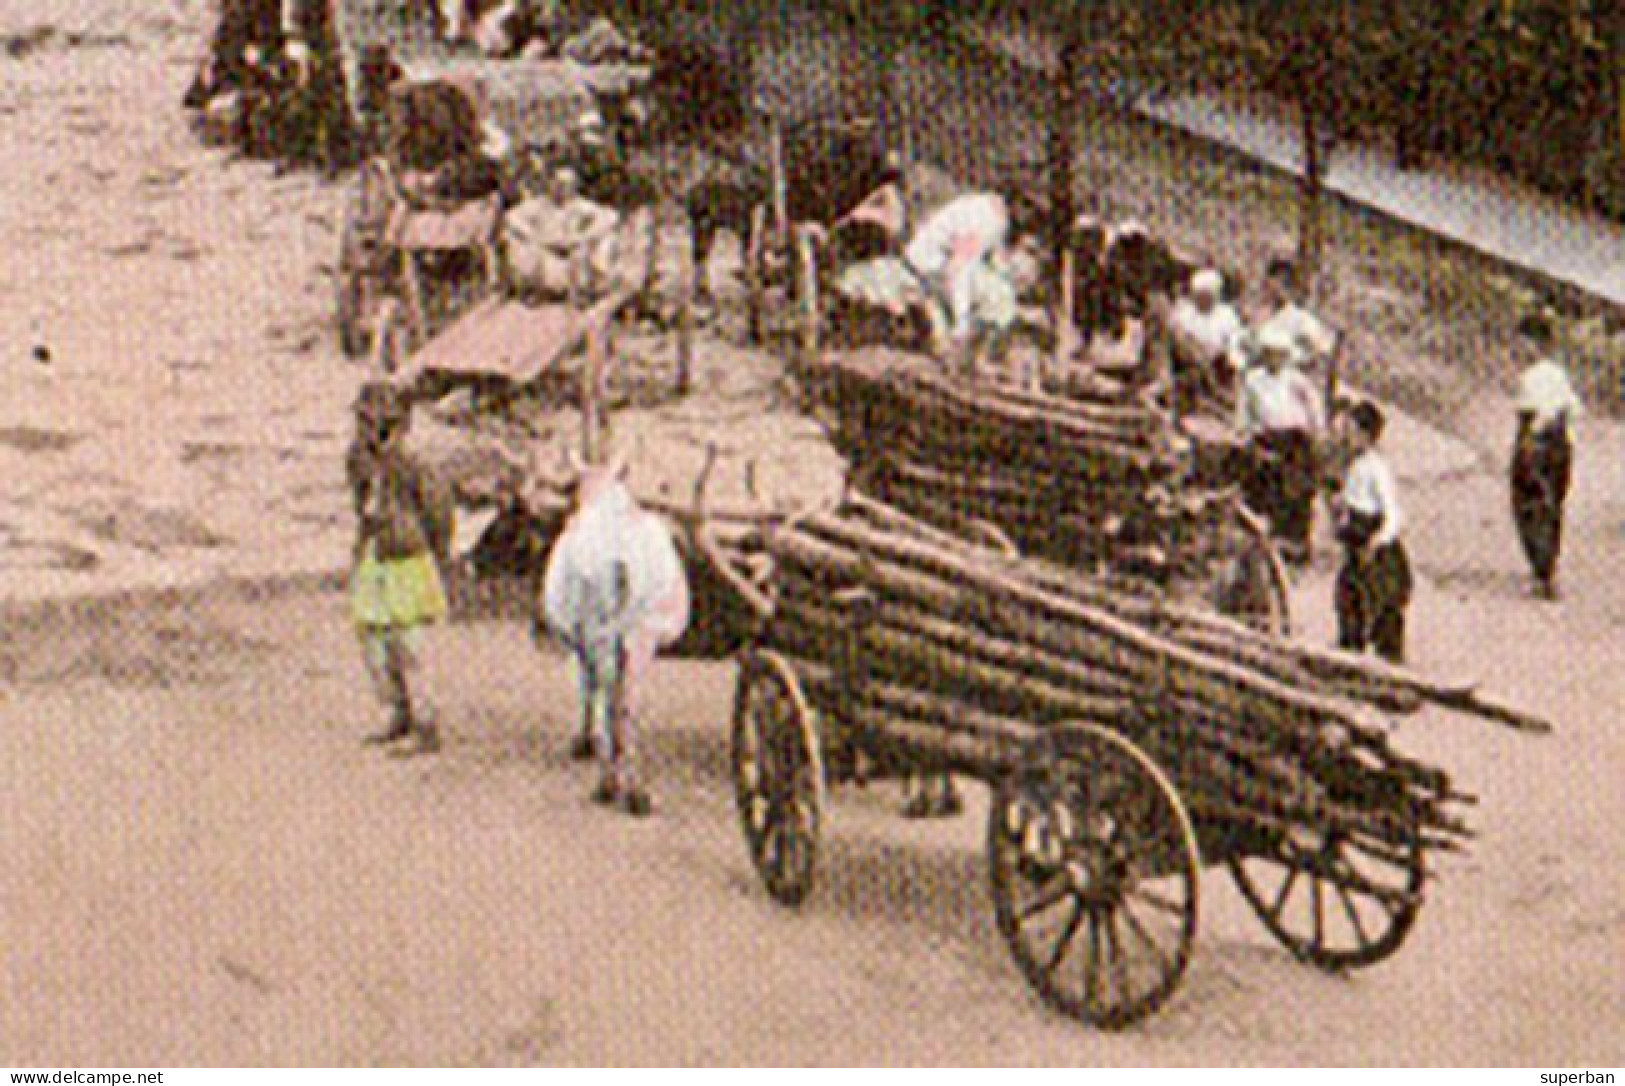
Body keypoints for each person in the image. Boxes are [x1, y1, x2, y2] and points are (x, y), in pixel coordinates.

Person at [541, 458, 690, 817]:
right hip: (643, 613)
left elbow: (567, 596)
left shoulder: (580, 536)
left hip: (601, 613)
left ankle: (616, 769)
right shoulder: (649, 531)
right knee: (627, 690)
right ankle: (623, 769)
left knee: (609, 686)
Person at [347, 380, 454, 756]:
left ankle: (425, 724)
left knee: (409, 645)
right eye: (364, 422)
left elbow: (438, 513)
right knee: (373, 639)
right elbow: (360, 504)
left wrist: (438, 556)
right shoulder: (358, 460)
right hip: (375, 553)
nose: (370, 432)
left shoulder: (415, 464)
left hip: (407, 556)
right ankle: (397, 710)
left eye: (378, 424)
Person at [900, 191, 1038, 374]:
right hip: (929, 268)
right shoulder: (983, 220)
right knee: (1001, 296)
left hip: (936, 266)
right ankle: (972, 357)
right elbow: (958, 269)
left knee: (999, 293)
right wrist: (961, 319)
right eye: (1029, 210)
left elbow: (993, 261)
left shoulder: (992, 216)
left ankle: (969, 355)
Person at [1236, 325, 1325, 564]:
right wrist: (1248, 435)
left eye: (1278, 354)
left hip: (1296, 441)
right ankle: (1268, 545)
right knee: (1266, 485)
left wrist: (1315, 433)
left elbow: (1315, 410)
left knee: (1298, 487)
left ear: (1286, 356)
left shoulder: (1298, 381)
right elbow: (1244, 414)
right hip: (1267, 437)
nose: (1273, 359)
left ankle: (1296, 545)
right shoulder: (1253, 381)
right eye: (1269, 353)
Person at [1510, 314, 1583, 600]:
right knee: (1552, 505)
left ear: (1536, 344)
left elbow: (1539, 414)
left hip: (1537, 441)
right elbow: (1574, 408)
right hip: (1560, 444)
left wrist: (1532, 439)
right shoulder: (1558, 373)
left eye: (1523, 342)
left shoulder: (1531, 377)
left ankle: (1542, 571)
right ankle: (1547, 567)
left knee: (1528, 504)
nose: (1518, 349)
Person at [1333, 401, 1412, 663]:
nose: (1347, 437)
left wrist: (1378, 540)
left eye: (1352, 431)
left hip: (1373, 544)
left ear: (1367, 435)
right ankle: (1350, 653)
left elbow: (1393, 514)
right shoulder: (1354, 466)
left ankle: (1387, 660)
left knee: (1382, 604)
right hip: (1355, 542)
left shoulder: (1377, 468)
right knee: (1349, 599)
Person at [503, 164, 622, 300]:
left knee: (606, 239)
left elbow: (610, 217)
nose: (561, 187)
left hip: (573, 254)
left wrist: (582, 237)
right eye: (558, 183)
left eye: (567, 184)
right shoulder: (540, 204)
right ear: (551, 183)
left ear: (574, 187)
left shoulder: (580, 205)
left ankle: (587, 290)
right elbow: (511, 217)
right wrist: (534, 236)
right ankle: (532, 290)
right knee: (513, 239)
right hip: (544, 253)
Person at [1167, 267, 1246, 404]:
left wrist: (1233, 361)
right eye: (1199, 295)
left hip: (1219, 362)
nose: (1203, 299)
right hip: (1190, 361)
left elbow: (1234, 341)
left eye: (1208, 295)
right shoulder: (1183, 313)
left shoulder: (1227, 315)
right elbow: (1178, 339)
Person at [1254, 257, 1338, 376]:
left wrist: (1299, 359)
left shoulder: (1300, 318)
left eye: (1282, 283)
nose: (1272, 288)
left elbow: (1324, 348)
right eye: (1269, 283)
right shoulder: (1260, 314)